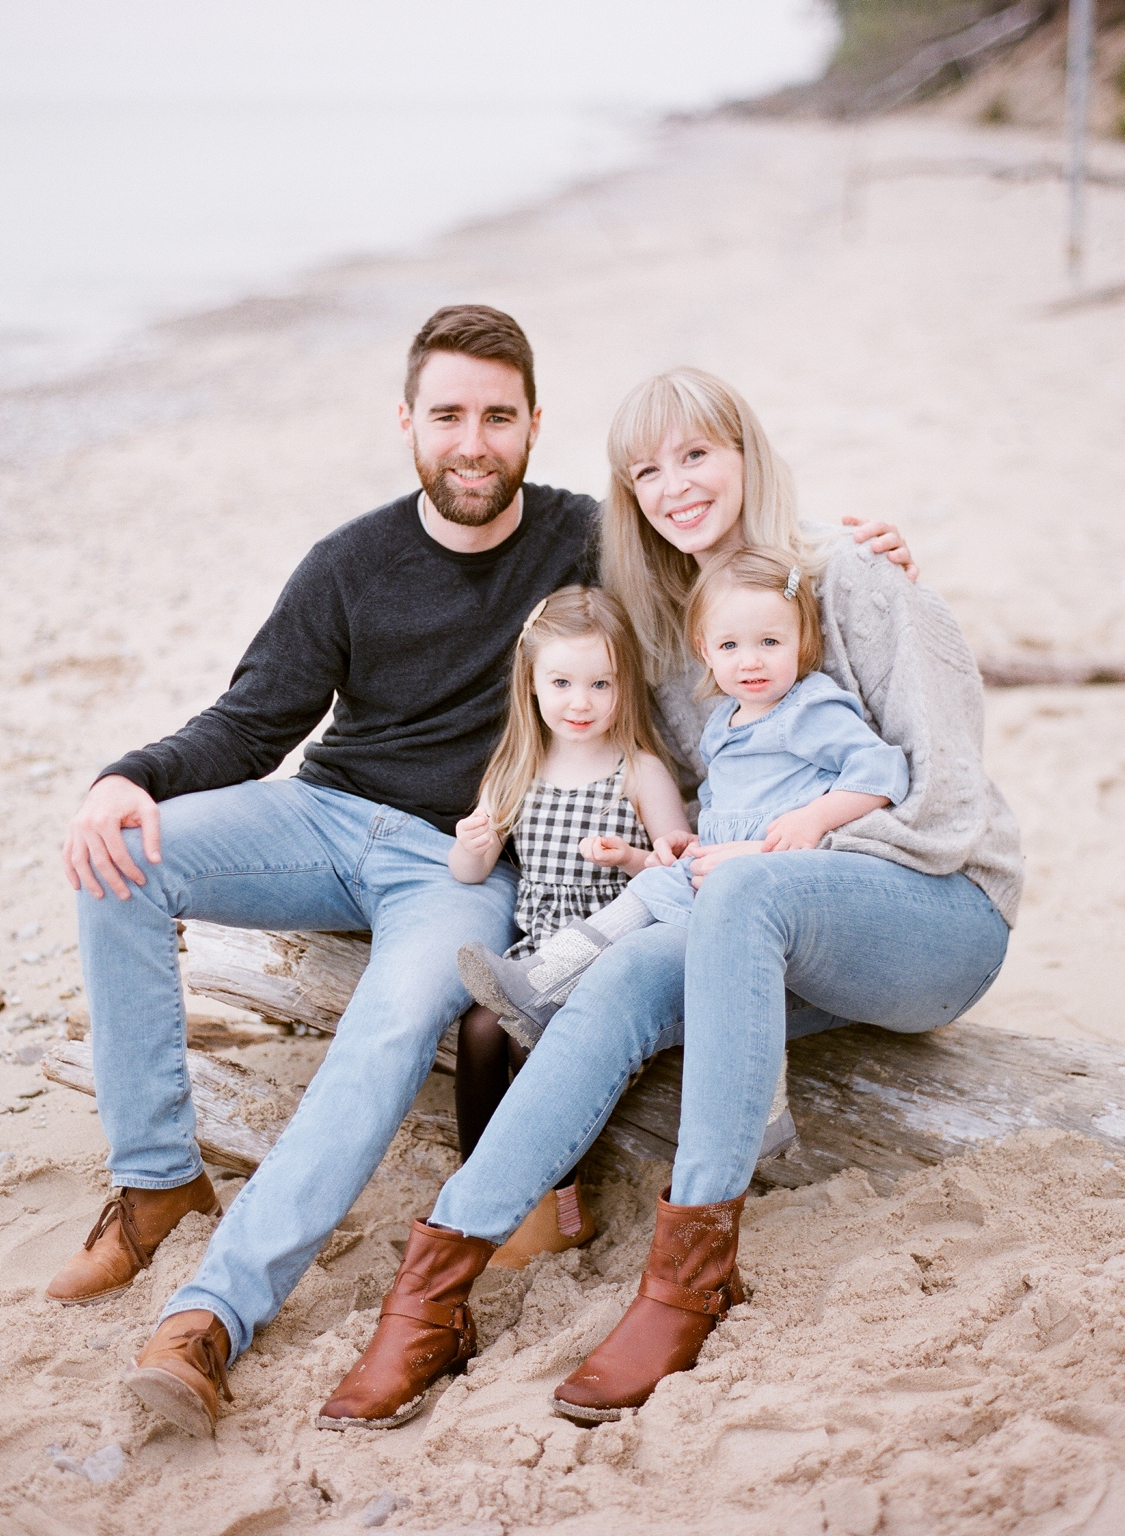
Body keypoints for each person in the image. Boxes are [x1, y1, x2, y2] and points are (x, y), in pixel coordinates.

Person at [55, 306, 912, 1438]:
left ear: (532, 426)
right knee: (119, 855)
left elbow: (724, 544)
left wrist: (855, 560)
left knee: (391, 1022)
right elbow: (253, 717)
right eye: (448, 415)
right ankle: (157, 1174)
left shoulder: (588, 538)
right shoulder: (348, 564)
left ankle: (214, 1314)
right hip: (319, 814)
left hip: (454, 863)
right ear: (407, 422)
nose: (472, 440)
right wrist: (134, 776)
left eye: (497, 417)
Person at [314, 367, 1019, 1434]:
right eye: (648, 471)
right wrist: (685, 856)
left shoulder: (852, 576)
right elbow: (708, 812)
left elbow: (950, 798)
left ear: (746, 452)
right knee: (628, 970)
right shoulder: (681, 634)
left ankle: (688, 1283)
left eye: (698, 454)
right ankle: (434, 1292)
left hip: (936, 912)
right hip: (778, 923)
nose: (677, 485)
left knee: (739, 902)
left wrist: (783, 857)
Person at [459, 548, 909, 1041]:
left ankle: (541, 981)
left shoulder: (809, 709)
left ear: (803, 642)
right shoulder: (722, 725)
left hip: (779, 868)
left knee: (658, 911)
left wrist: (815, 818)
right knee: (649, 890)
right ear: (705, 650)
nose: (751, 660)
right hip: (717, 866)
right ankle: (541, 980)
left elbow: (884, 768)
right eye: (731, 645)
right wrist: (693, 840)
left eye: (770, 641)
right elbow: (722, 800)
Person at [450, 584, 688, 1270]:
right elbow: (471, 871)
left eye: (599, 684)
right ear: (530, 682)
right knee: (479, 1028)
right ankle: (482, 1187)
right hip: (534, 955)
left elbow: (677, 865)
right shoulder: (516, 767)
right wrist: (472, 841)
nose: (578, 702)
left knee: (545, 1049)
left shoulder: (636, 770)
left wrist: (633, 856)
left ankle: (560, 1206)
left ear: (625, 687)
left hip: (611, 953)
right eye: (561, 682)